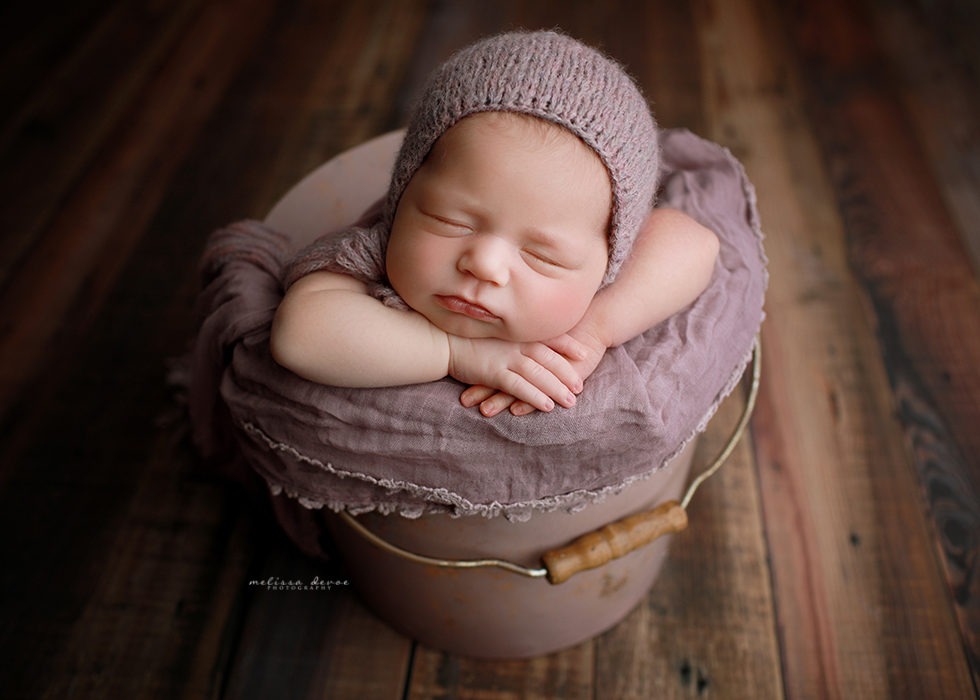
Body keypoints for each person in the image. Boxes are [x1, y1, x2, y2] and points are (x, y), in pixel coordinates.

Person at [270, 30, 719, 417]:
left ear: (611, 261)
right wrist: (454, 352)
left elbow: (696, 242)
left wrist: (592, 331)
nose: (484, 265)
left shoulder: (598, 295)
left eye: (542, 255)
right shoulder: (371, 254)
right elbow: (299, 336)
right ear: (403, 192)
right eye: (449, 220)